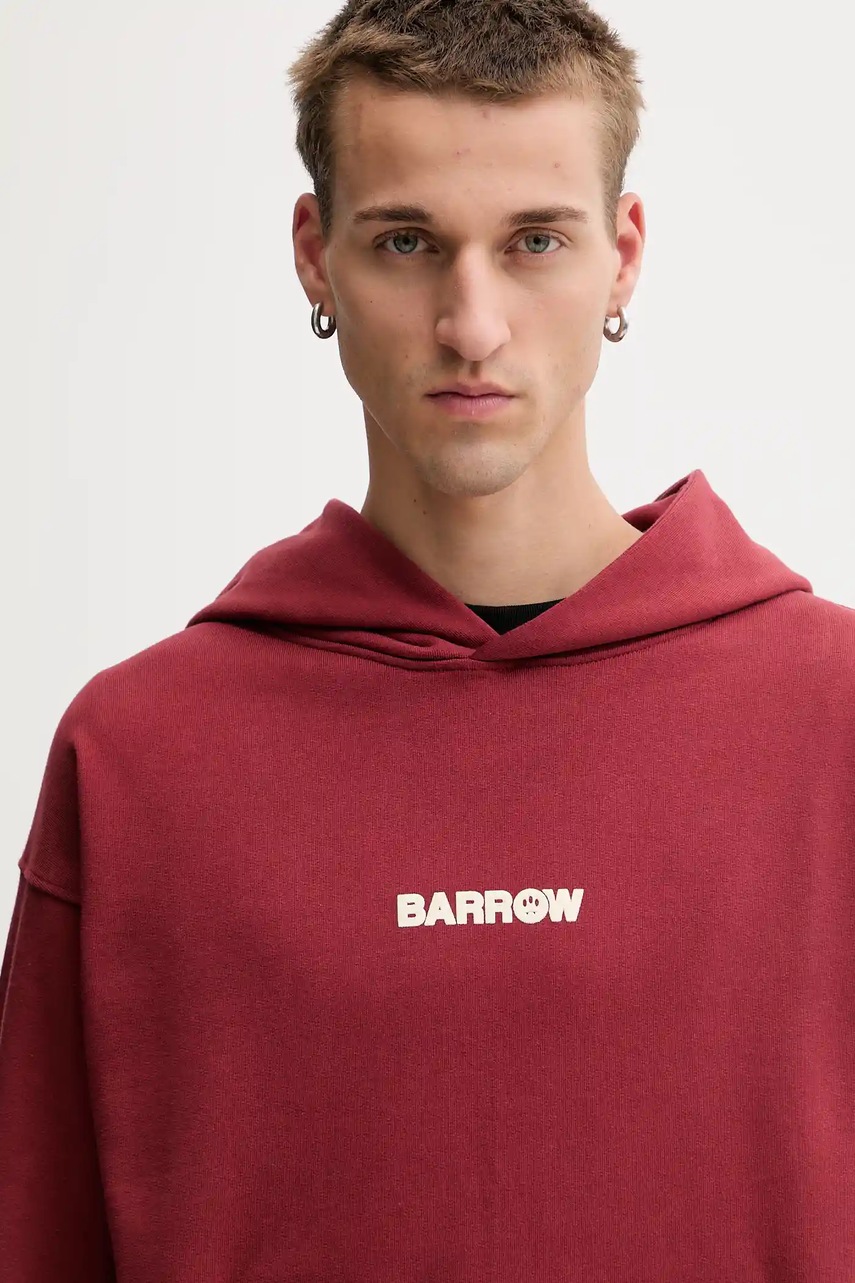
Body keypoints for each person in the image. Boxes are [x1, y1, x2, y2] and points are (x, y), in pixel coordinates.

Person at [2, 1, 853, 1279]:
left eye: (534, 242)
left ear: (623, 256)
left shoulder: (832, 719)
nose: (472, 323)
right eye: (407, 242)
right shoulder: (141, 756)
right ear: (315, 257)